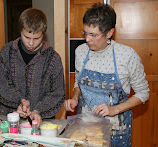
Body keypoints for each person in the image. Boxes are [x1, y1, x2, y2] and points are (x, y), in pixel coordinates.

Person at [64, 3, 149, 147]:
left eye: (94, 35)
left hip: (116, 130)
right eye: (85, 33)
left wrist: (114, 109)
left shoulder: (127, 56)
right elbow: (78, 82)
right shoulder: (81, 51)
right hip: (85, 127)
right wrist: (74, 98)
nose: (87, 39)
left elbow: (143, 93)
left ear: (109, 33)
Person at [0, 8, 65, 125]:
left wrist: (38, 110)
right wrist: (19, 100)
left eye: (37, 38)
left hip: (41, 123)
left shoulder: (53, 58)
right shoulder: (7, 52)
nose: (31, 43)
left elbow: (57, 93)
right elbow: (0, 83)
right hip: (8, 120)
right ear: (20, 31)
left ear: (43, 33)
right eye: (26, 37)